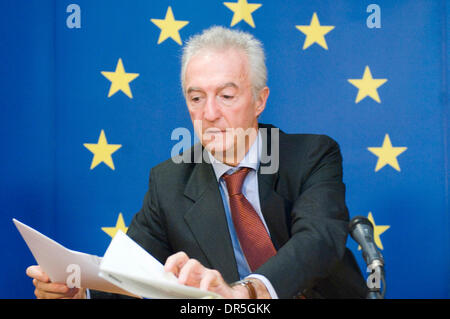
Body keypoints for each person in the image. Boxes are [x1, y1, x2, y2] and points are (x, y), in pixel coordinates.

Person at [26, 26, 367, 299]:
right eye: (196, 97)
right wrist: (80, 290)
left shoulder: (310, 154)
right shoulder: (169, 181)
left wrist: (248, 292)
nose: (210, 113)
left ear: (260, 100)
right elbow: (133, 271)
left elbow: (319, 239)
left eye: (226, 96)